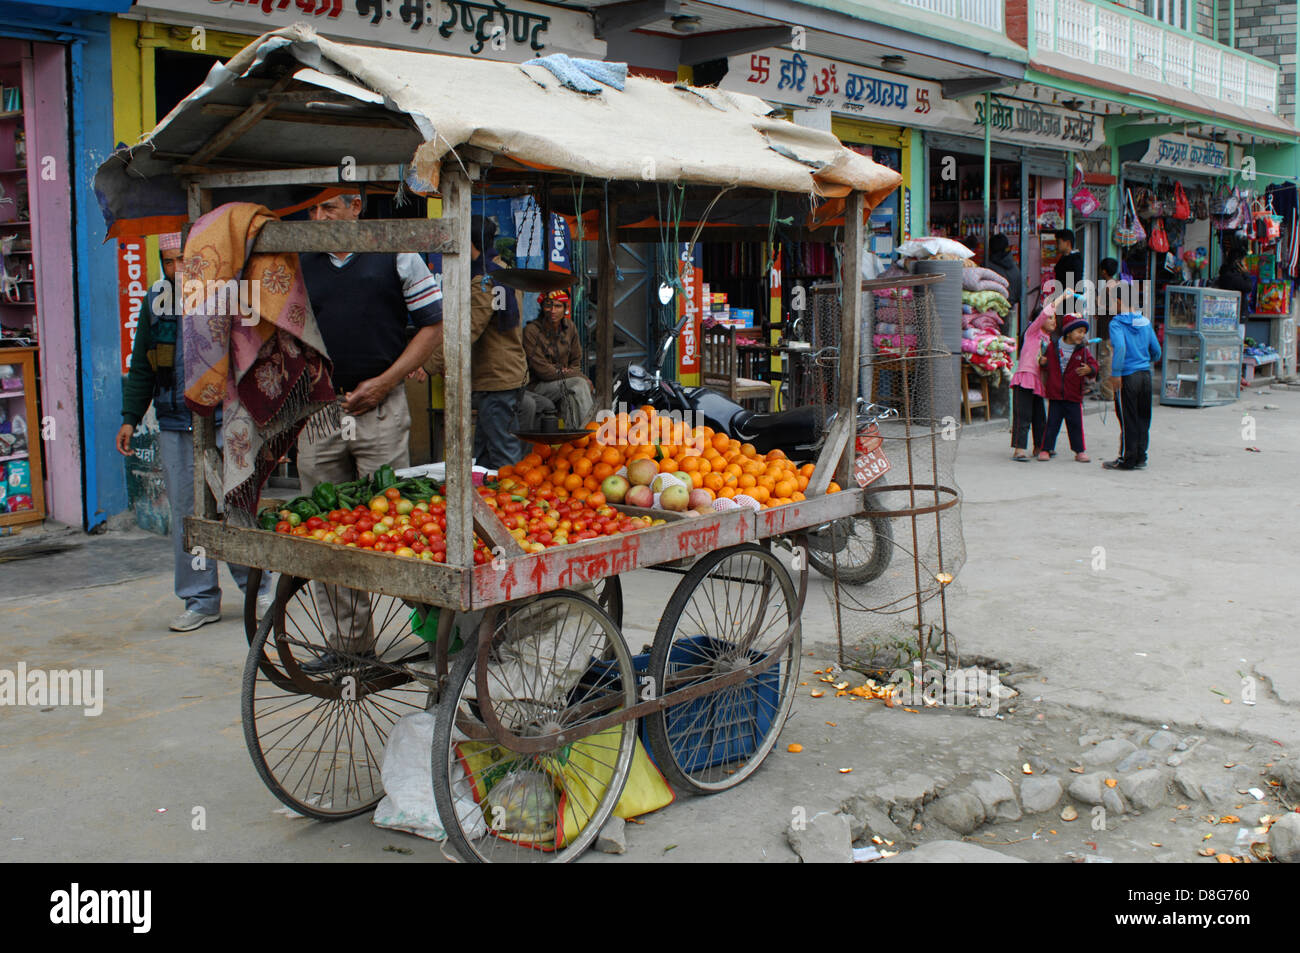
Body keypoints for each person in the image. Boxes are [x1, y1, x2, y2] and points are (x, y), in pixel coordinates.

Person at [296, 193, 444, 673]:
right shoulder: (299, 259)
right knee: (326, 530)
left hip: (379, 408)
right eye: (313, 210)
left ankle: (443, 635)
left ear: (356, 206)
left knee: (398, 526)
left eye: (329, 209)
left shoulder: (396, 251)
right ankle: (350, 646)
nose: (319, 219)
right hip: (320, 411)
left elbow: (432, 326)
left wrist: (386, 382)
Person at [116, 233, 272, 631]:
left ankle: (257, 588)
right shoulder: (156, 302)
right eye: (169, 262)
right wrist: (130, 418)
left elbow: (253, 359)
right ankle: (201, 599)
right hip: (175, 423)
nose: (177, 270)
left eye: (184, 260)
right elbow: (142, 367)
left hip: (225, 422)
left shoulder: (227, 294)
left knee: (235, 506)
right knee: (188, 514)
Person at [424, 215, 529, 469]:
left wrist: (427, 362)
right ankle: (485, 500)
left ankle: (515, 502)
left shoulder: (483, 280)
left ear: (468, 243)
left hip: (497, 379)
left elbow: (469, 329)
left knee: (503, 454)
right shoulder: (504, 272)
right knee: (484, 456)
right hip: (508, 374)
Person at [523, 290, 595, 430]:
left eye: (558, 306)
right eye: (548, 306)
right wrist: (574, 375)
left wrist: (569, 373)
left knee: (575, 393)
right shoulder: (531, 331)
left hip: (564, 382)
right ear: (542, 308)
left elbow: (576, 361)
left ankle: (573, 442)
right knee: (579, 383)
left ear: (565, 308)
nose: (552, 311)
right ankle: (589, 433)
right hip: (537, 386)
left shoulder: (570, 328)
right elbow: (544, 371)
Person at [1103, 309, 1162, 471]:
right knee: (1143, 417)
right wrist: (1144, 360)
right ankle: (1141, 456)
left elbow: (1120, 347)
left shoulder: (1116, 323)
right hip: (1145, 376)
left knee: (1127, 418)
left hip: (1127, 375)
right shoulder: (1145, 321)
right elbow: (1156, 351)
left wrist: (1116, 373)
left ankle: (1127, 458)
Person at [1039, 314, 1099, 463]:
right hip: (1056, 393)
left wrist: (1090, 370)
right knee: (1052, 423)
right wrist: (1043, 363)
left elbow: (1094, 366)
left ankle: (1079, 451)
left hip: (1074, 394)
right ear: (1068, 332)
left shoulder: (1083, 351)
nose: (1082, 335)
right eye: (1079, 331)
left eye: (1083, 332)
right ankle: (1046, 449)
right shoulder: (1053, 347)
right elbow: (1046, 364)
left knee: (1076, 425)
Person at [1008, 299, 1056, 461]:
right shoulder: (1032, 332)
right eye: (1051, 318)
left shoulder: (1049, 341)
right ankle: (1019, 449)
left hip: (1038, 383)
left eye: (1055, 318)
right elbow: (1043, 314)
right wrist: (1061, 299)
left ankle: (1040, 447)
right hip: (1025, 378)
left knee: (1039, 417)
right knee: (1023, 415)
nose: (1053, 321)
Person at [1093, 258, 1123, 401]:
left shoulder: (1106, 288)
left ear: (1103, 271)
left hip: (1108, 331)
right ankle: (1116, 391)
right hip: (1118, 331)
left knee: (1106, 362)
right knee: (1115, 361)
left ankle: (1108, 393)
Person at [986, 233, 1022, 302]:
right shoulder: (1015, 268)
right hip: (1011, 306)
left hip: (993, 309)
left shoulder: (987, 267)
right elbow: (1019, 295)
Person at [1053, 228, 1084, 296]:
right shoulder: (1065, 257)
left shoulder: (1075, 260)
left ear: (1067, 243)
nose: (1056, 246)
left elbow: (1075, 285)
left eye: (1058, 243)